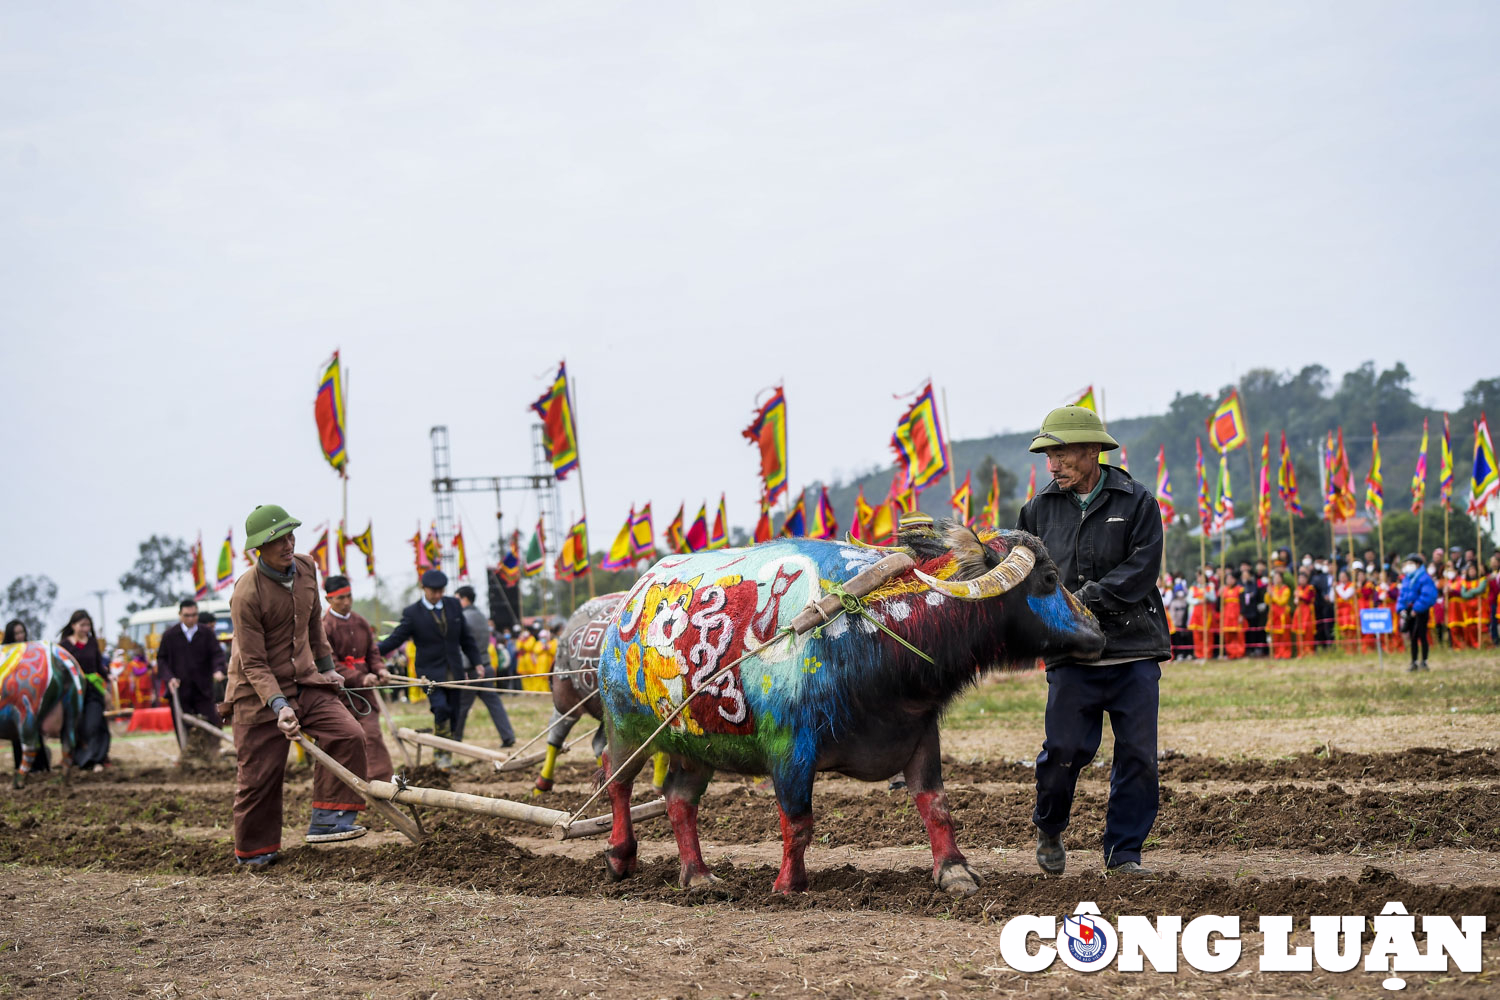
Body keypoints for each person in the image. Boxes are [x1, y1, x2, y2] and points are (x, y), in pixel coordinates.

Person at [1017, 404, 1170, 876]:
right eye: (1048, 456)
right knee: (1064, 751)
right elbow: (1023, 573)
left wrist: (1084, 600)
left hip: (1133, 650)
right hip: (1069, 654)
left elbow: (1143, 568)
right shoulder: (1037, 510)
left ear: (1091, 451)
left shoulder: (1137, 501)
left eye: (1060, 454)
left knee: (1139, 758)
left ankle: (1124, 853)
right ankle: (1050, 824)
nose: (1052, 465)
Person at [224, 504, 370, 867]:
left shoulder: (307, 567)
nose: (288, 544)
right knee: (259, 778)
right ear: (259, 548)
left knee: (349, 734)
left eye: (290, 535)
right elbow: (253, 662)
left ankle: (327, 820)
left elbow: (313, 625)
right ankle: (255, 853)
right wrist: (279, 706)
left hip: (306, 680)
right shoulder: (246, 594)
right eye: (277, 540)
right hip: (257, 695)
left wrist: (327, 668)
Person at [378, 569, 483, 769]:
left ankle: (446, 755)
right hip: (429, 673)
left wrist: (477, 661)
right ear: (423, 588)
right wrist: (372, 652)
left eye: (441, 591)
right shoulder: (412, 613)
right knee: (441, 708)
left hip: (454, 671)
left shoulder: (453, 605)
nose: (437, 595)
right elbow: (396, 638)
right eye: (433, 591)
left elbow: (466, 638)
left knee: (454, 713)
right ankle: (440, 755)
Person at [321, 574, 394, 783]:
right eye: (340, 598)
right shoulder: (324, 627)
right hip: (338, 695)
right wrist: (361, 677)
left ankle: (381, 783)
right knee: (346, 739)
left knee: (372, 734)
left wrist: (381, 670)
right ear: (328, 600)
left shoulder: (361, 622)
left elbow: (373, 653)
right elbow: (329, 664)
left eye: (349, 596)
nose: (346, 602)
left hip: (365, 695)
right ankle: (347, 782)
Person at [155, 598, 228, 761]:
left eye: (194, 615)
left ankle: (212, 754)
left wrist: (218, 670)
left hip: (203, 689)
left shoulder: (206, 633)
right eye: (187, 615)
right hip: (180, 690)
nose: (191, 619)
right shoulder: (170, 635)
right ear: (180, 615)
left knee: (212, 720)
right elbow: (161, 660)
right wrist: (170, 678)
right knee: (184, 726)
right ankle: (188, 757)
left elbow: (217, 654)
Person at [452, 585, 516, 747]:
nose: (455, 602)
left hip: (471, 669)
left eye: (457, 598)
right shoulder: (481, 616)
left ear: (465, 599)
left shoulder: (463, 617)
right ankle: (508, 736)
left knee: (461, 706)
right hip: (486, 666)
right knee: (494, 704)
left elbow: (463, 647)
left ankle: (454, 739)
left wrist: (463, 670)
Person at [58, 609, 112, 771]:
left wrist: (108, 677)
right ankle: (79, 759)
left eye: (88, 625)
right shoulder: (64, 645)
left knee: (93, 724)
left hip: (92, 689)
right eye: (82, 625)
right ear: (73, 625)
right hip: (73, 691)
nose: (85, 629)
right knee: (76, 725)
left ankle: (96, 759)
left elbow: (98, 666)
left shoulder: (92, 643)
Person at [1395, 552, 1438, 672]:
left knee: (1422, 635)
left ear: (1418, 564)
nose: (1408, 566)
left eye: (1410, 563)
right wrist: (1401, 608)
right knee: (1412, 637)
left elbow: (1428, 595)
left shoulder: (1424, 578)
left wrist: (1417, 609)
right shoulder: (1407, 579)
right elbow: (1402, 595)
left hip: (1420, 611)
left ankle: (1424, 661)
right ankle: (1413, 662)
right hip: (1409, 610)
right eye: (1407, 563)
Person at [1456, 564, 1487, 650]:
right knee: (1471, 627)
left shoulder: (1482, 580)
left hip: (1480, 605)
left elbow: (1480, 589)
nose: (1472, 572)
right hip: (1469, 607)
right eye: (1470, 571)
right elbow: (1463, 594)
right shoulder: (1465, 582)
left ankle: (1483, 644)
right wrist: (1473, 593)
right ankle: (1473, 644)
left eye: (1473, 570)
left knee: (1481, 626)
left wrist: (1470, 591)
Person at [1187, 568, 1216, 660]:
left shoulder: (1210, 587)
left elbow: (1213, 598)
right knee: (1197, 635)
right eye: (1198, 577)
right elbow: (1189, 599)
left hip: (1207, 614)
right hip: (1196, 614)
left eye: (1201, 576)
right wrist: (1198, 601)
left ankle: (1208, 654)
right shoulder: (1193, 588)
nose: (1199, 578)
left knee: (1207, 635)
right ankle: (1199, 654)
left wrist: (1206, 594)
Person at [1266, 574, 1293, 659]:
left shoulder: (1286, 589)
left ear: (1281, 579)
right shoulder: (1273, 588)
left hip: (1283, 615)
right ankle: (1277, 654)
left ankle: (1285, 654)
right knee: (1275, 636)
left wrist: (1273, 595)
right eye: (1275, 578)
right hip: (1273, 615)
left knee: (1285, 636)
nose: (1276, 580)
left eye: (1278, 578)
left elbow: (1281, 601)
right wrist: (1268, 593)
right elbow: (1267, 601)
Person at [1219, 572, 1245, 658]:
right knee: (1228, 635)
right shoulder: (1224, 590)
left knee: (1238, 635)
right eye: (1227, 579)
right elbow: (1219, 605)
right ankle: (1230, 653)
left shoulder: (1240, 589)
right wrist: (1219, 594)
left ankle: (1239, 652)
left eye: (1231, 578)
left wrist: (1241, 615)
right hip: (1227, 615)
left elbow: (1243, 603)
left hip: (1236, 614)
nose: (1229, 580)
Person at [1332, 570, 1359, 654]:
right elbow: (1332, 599)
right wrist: (1333, 588)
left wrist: (1337, 588)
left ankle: (1352, 650)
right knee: (1342, 633)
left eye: (1343, 576)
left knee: (1350, 632)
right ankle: (1344, 650)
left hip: (1349, 612)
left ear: (1347, 577)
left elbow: (1345, 596)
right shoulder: (1338, 586)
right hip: (1340, 612)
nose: (1342, 578)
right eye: (1340, 576)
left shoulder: (1351, 585)